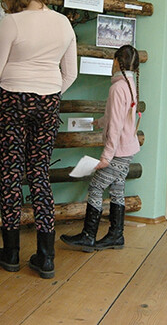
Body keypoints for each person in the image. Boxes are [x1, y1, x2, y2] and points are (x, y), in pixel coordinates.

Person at [0, 0, 77, 279]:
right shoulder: (63, 22)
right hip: (48, 101)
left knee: (11, 173)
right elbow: (71, 73)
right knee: (39, 174)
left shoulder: (11, 22)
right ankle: (46, 257)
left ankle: (10, 253)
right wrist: (49, 94)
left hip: (12, 99)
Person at [60, 45, 141, 252]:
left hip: (118, 152)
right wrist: (99, 122)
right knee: (117, 189)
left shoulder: (117, 87)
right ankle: (116, 235)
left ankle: (88, 236)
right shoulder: (130, 83)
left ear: (117, 62)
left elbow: (116, 125)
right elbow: (117, 116)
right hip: (127, 148)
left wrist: (106, 156)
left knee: (96, 187)